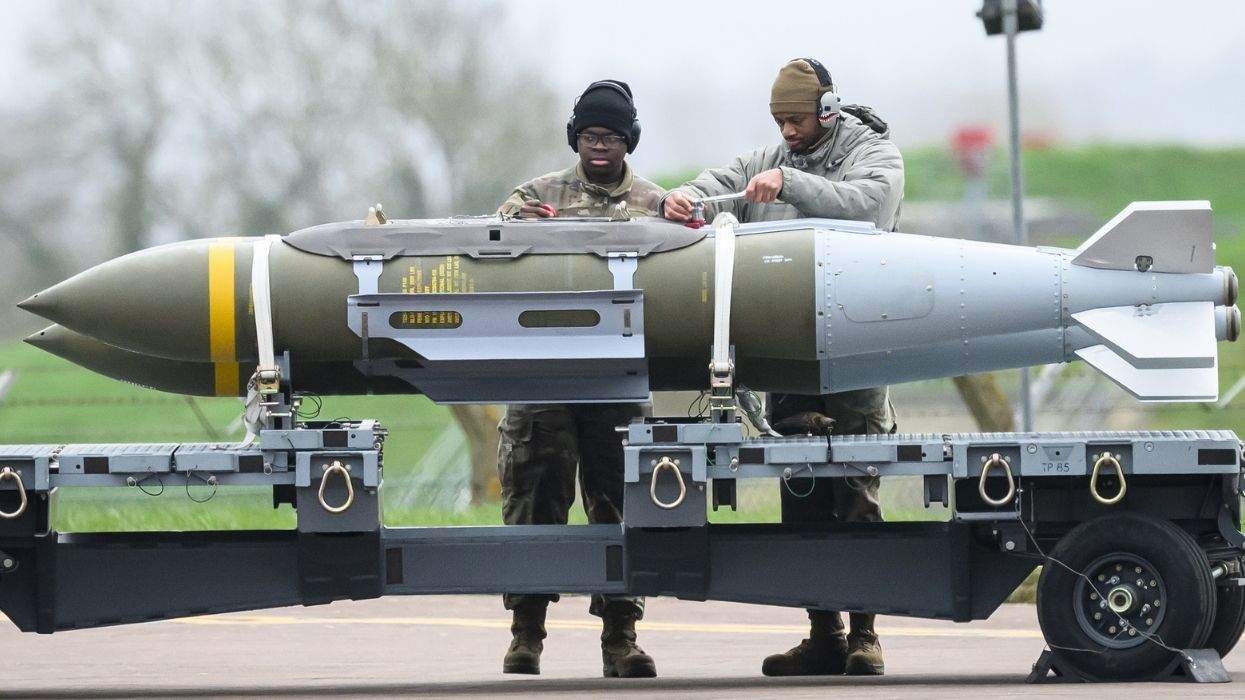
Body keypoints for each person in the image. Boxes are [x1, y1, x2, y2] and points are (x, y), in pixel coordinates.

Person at [662, 58, 904, 677]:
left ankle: (865, 635)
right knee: (799, 493)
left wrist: (789, 185)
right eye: (780, 121)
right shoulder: (770, 157)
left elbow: (868, 207)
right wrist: (686, 196)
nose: (788, 131)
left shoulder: (874, 152)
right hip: (788, 358)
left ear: (826, 109)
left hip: (855, 347)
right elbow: (722, 180)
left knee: (855, 488)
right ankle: (821, 634)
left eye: (796, 120)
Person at [495, 79, 664, 679]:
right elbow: (494, 247)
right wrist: (522, 227)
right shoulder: (534, 196)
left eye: (612, 137)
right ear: (576, 138)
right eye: (591, 135)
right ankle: (526, 635)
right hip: (542, 374)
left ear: (628, 142)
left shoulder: (653, 203)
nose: (600, 147)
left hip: (615, 378)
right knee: (534, 497)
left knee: (618, 501)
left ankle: (621, 638)